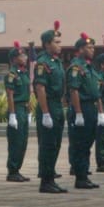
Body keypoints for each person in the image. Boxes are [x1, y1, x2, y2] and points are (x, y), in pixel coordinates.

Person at [34, 21, 68, 194]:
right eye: (56, 42)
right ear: (47, 44)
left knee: (55, 144)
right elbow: (40, 88)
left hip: (57, 105)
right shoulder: (43, 63)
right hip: (48, 106)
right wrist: (46, 113)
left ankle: (51, 177)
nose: (59, 45)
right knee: (48, 144)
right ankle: (46, 181)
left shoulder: (57, 62)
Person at [67, 32, 103, 189]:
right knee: (80, 144)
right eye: (89, 47)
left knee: (88, 143)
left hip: (91, 108)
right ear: (80, 49)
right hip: (82, 107)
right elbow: (74, 90)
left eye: (93, 46)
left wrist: (100, 112)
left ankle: (84, 174)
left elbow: (96, 90)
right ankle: (80, 177)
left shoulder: (89, 67)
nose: (92, 49)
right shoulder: (76, 67)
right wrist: (79, 113)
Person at [4, 41, 32, 182]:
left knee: (23, 141)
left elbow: (28, 92)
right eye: (22, 56)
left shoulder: (24, 73)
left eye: (25, 55)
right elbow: (10, 95)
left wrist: (29, 110)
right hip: (16, 108)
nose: (25, 58)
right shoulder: (12, 74)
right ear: (14, 59)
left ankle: (17, 169)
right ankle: (12, 171)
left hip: (24, 109)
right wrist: (12, 114)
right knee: (16, 141)